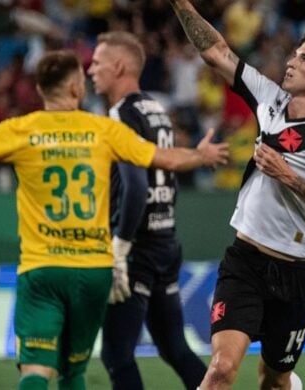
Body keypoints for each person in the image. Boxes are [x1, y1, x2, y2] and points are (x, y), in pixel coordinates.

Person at [0, 49, 228, 390]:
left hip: (43, 269)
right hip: (93, 271)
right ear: (75, 88)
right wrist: (200, 155)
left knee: (36, 371)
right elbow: (166, 160)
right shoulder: (101, 129)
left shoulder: (20, 130)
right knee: (74, 371)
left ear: (41, 89)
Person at [169, 1, 305, 389]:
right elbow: (216, 52)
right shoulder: (270, 99)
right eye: (295, 53)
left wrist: (288, 176)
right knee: (222, 369)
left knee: (274, 381)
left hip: (297, 272)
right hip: (245, 261)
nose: (291, 61)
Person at [87, 31, 208, 389]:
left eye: (97, 62)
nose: (90, 69)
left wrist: (120, 248)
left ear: (119, 66)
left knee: (116, 355)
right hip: (165, 240)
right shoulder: (156, 109)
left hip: (136, 247)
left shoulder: (120, 114)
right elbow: (165, 177)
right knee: (174, 348)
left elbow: (137, 186)